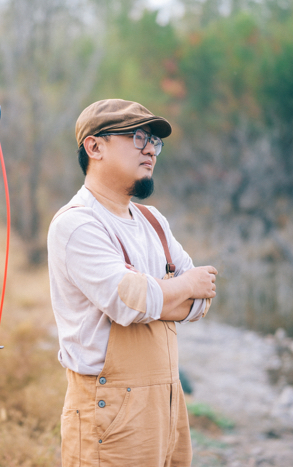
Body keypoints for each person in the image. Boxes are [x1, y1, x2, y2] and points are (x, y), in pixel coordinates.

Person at [47, 99, 217, 467]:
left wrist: (162, 293)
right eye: (138, 137)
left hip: (169, 403)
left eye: (154, 141)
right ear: (94, 147)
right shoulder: (77, 225)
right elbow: (129, 301)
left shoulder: (153, 220)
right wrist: (182, 285)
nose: (150, 150)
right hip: (111, 411)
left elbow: (202, 300)